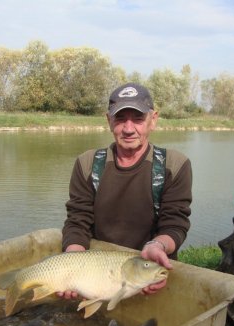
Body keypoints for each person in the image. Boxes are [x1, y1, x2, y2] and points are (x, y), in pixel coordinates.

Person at [61, 82, 192, 297]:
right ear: (109, 121)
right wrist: (72, 264)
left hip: (147, 273)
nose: (129, 129)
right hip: (98, 276)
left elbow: (175, 224)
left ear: (153, 120)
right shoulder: (87, 164)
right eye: (120, 119)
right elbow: (78, 220)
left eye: (138, 119)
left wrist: (157, 246)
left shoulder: (174, 166)